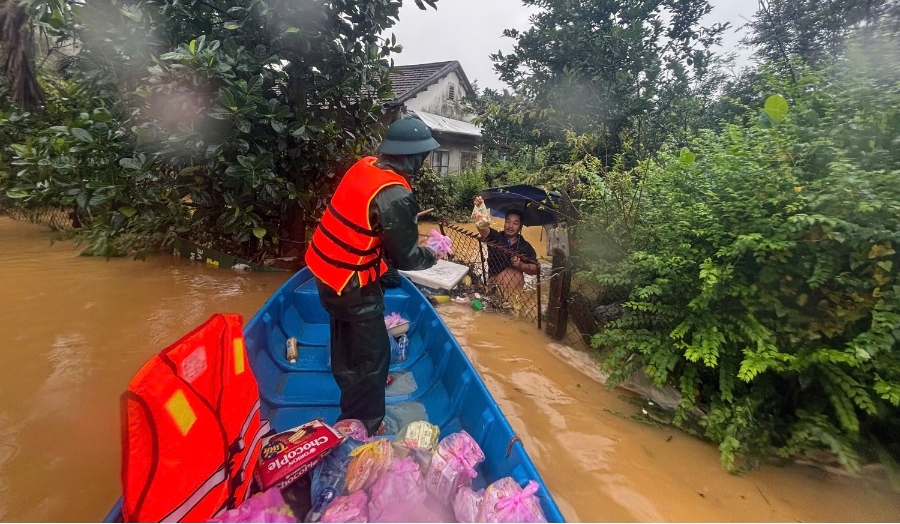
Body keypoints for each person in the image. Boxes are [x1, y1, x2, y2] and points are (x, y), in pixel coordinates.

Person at [304, 116, 441, 437]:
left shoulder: (366, 166)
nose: (424, 160)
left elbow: (370, 232)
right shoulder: (396, 194)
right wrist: (433, 256)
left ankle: (352, 389)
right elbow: (406, 256)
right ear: (411, 156)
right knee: (374, 357)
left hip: (325, 273)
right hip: (351, 284)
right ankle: (363, 423)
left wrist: (388, 268)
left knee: (346, 338)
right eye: (423, 154)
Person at [473, 196, 539, 296]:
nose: (510, 226)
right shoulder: (496, 237)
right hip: (493, 283)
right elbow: (482, 228)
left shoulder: (525, 246)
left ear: (520, 227)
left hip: (514, 288)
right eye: (508, 221)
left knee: (515, 274)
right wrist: (479, 209)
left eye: (515, 223)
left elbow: (536, 269)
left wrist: (521, 265)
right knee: (511, 274)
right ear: (504, 223)